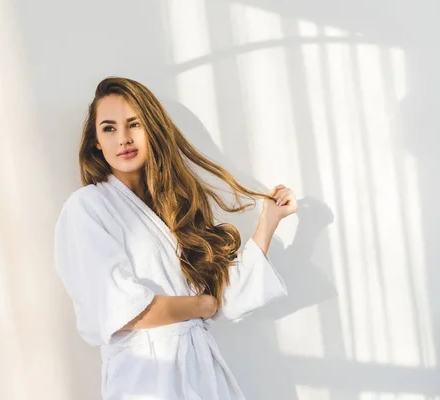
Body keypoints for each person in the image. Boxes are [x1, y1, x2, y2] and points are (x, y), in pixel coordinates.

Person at [54, 76, 297, 399]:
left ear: (152, 129)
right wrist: (201, 305)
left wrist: (268, 221)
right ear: (96, 141)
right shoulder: (86, 208)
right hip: (146, 378)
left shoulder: (174, 209)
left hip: (201, 373)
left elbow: (223, 297)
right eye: (109, 128)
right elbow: (118, 310)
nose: (123, 139)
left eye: (134, 124)